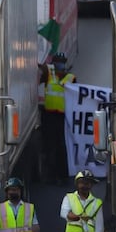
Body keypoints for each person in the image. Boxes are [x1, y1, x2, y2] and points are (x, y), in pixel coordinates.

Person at [39, 52, 75, 184]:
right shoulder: (49, 73)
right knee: (50, 146)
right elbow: (40, 69)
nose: (60, 65)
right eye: (57, 62)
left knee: (62, 146)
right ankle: (51, 176)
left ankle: (63, 175)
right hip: (49, 116)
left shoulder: (71, 77)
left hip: (63, 118)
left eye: (62, 62)